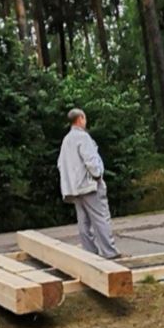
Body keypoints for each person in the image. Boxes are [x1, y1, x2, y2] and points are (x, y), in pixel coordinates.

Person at [57, 108, 121, 259]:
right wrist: (98, 176)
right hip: (89, 185)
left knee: (83, 222)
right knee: (100, 217)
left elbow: (61, 163)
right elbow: (91, 160)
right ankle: (109, 252)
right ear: (80, 119)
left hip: (74, 188)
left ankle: (90, 254)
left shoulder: (66, 140)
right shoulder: (83, 137)